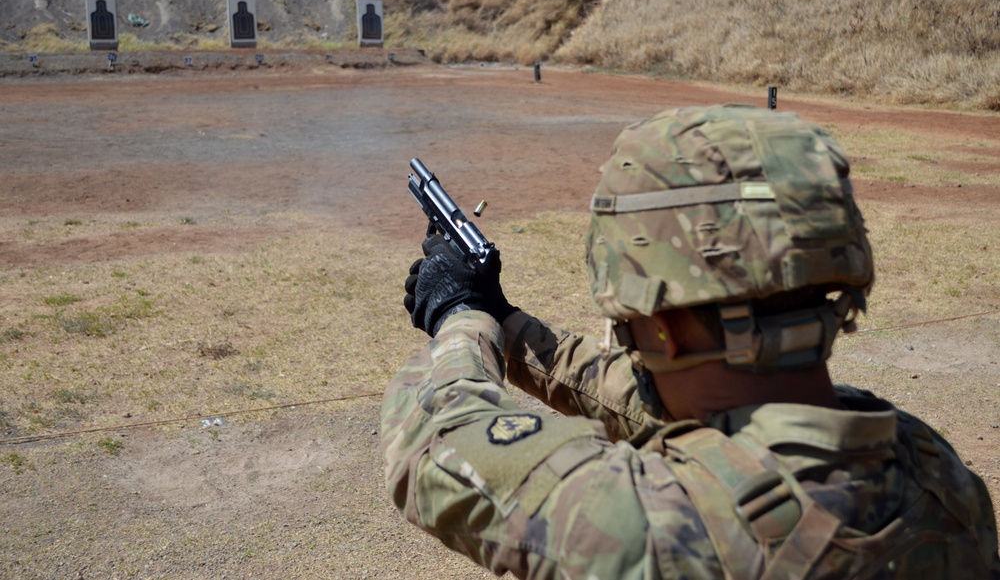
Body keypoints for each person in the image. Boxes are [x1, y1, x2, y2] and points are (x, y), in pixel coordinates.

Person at [381, 104, 1000, 579]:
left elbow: (435, 439)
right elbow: (656, 399)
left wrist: (459, 315)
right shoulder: (935, 473)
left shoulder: (655, 525)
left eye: (628, 324)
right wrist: (507, 322)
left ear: (662, 328)